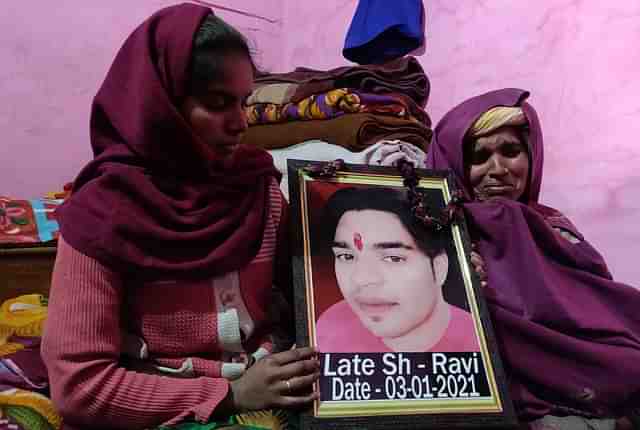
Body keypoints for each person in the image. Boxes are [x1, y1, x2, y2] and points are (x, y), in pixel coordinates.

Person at [40, 5, 319, 429]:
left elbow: (308, 298)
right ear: (160, 105)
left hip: (274, 383)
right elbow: (80, 387)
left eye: (244, 103)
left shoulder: (260, 189)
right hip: (165, 399)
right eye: (218, 103)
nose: (241, 123)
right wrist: (232, 394)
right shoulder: (101, 217)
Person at [426, 88, 640, 430]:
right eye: (479, 157)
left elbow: (603, 314)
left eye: (511, 151)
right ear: (453, 164)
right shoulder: (431, 233)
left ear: (532, 156)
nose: (497, 170)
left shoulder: (553, 226)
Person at [314, 186, 479, 353]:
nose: (361, 279)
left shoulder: (480, 344)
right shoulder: (332, 325)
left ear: (439, 267)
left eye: (393, 258)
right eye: (346, 256)